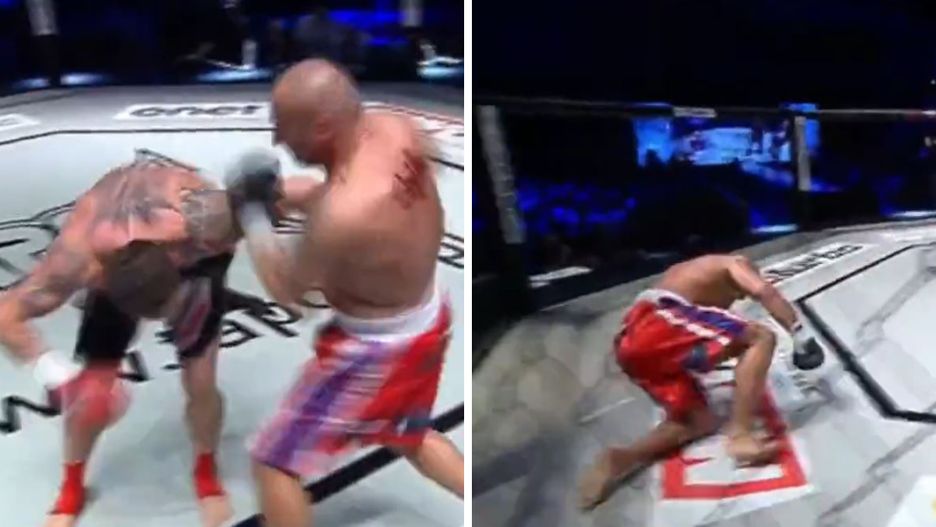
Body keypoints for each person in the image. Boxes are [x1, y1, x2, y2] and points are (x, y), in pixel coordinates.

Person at [0, 156, 312, 527]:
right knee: (90, 399)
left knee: (201, 381)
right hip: (123, 266)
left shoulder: (203, 217)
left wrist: (286, 229)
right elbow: (6, 313)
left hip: (197, 270)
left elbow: (288, 190)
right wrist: (58, 377)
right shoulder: (80, 256)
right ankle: (71, 487)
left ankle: (206, 472)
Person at [226, 59, 464, 527]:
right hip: (427, 315)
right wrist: (305, 198)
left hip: (376, 352)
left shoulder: (340, 217)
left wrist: (252, 215)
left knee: (274, 464)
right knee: (407, 432)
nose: (277, 140)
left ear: (321, 127)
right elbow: (376, 198)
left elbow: (290, 291)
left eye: (285, 127)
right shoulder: (394, 127)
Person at [578, 253, 824, 510]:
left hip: (632, 343)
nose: (740, 299)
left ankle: (623, 458)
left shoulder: (689, 279)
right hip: (656, 319)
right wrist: (800, 335)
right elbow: (764, 291)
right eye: (741, 293)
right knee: (761, 337)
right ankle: (740, 434)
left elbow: (713, 338)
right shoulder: (732, 264)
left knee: (696, 422)